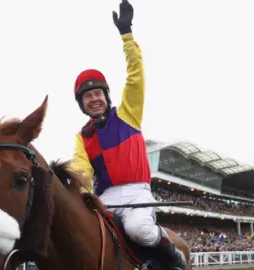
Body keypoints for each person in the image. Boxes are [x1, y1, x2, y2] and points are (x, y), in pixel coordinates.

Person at [70, 0, 187, 269]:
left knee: (139, 231)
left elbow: (136, 76)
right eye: (87, 96)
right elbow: (81, 170)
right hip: (105, 197)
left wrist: (127, 35)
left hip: (137, 192)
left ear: (106, 95)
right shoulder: (81, 137)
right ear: (82, 104)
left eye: (97, 93)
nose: (94, 99)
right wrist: (81, 193)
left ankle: (174, 256)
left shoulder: (127, 113)